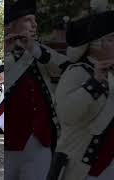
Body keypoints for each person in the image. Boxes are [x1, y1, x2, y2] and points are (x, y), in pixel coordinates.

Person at [4, 0, 71, 179]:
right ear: (11, 25)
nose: (34, 25)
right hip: (8, 141)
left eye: (35, 21)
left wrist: (34, 48)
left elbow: (66, 68)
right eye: (28, 20)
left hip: (41, 139)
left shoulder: (40, 50)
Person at [48, 11, 114, 180]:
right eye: (112, 39)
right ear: (94, 45)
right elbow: (67, 114)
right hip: (85, 168)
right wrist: (94, 83)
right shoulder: (77, 72)